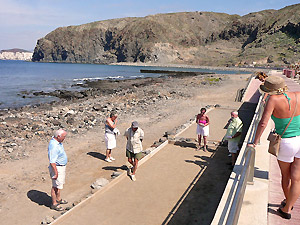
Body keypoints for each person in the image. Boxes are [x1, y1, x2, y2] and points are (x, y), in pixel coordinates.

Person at [248, 76, 300, 220]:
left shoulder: (273, 100)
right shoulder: (298, 95)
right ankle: (288, 204)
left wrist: (254, 141)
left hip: (286, 142)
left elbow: (263, 123)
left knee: (286, 176)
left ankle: (287, 208)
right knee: (297, 179)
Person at [48, 129, 68, 211]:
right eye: (64, 136)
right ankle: (54, 203)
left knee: (59, 185)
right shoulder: (54, 146)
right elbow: (52, 162)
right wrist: (56, 173)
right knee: (55, 186)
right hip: (57, 167)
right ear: (58, 136)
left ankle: (58, 199)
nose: (64, 138)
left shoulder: (58, 142)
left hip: (61, 166)